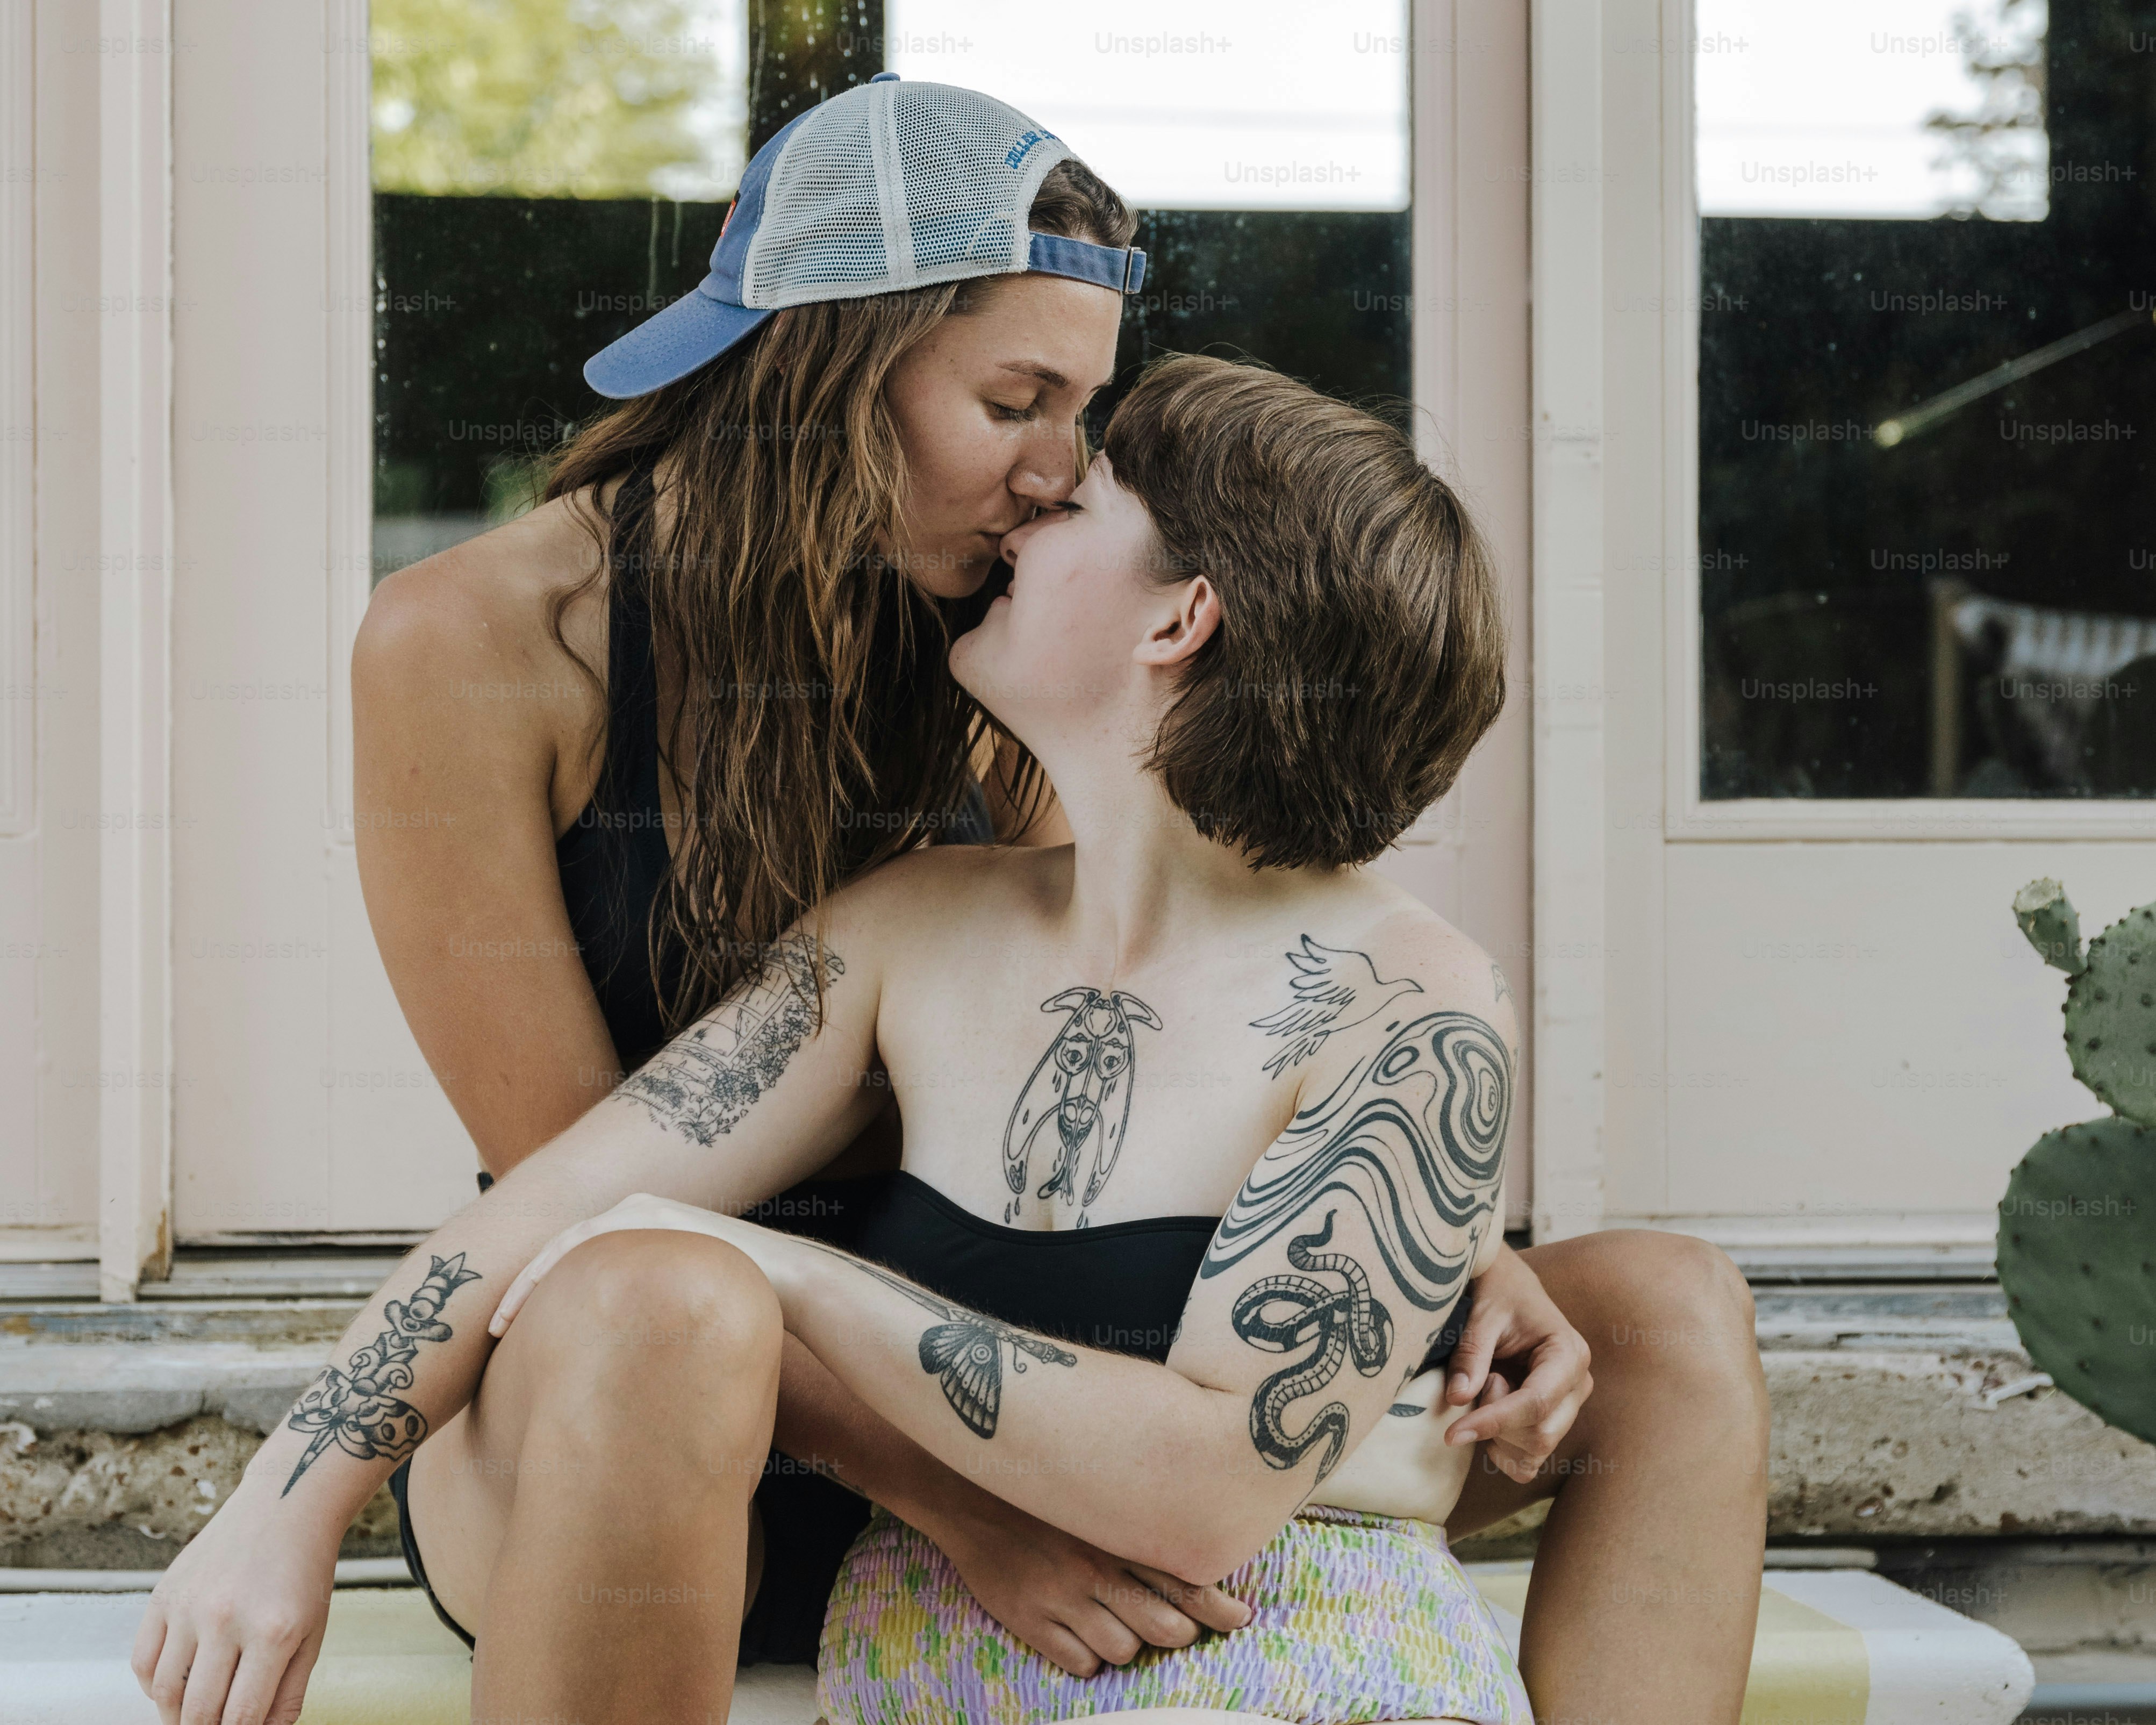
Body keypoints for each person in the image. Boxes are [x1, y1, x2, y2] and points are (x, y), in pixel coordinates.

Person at [144, 76, 1765, 1725]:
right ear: (836, 362)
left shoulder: (988, 614)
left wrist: (1415, 1227)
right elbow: (582, 1205)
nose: (1055, 476)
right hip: (658, 1400)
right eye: (1015, 401)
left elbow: (1164, 976)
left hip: (1033, 1385)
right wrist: (967, 1516)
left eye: (1085, 418)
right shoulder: (475, 646)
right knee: (671, 1298)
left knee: (1654, 1312)